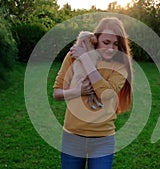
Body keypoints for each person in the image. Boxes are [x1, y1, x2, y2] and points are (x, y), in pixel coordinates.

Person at [53, 17, 133, 169]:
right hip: (72, 136)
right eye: (106, 42)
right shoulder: (73, 56)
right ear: (96, 40)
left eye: (116, 44)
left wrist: (85, 59)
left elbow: (106, 93)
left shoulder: (120, 67)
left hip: (103, 140)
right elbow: (57, 94)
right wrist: (79, 91)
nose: (111, 48)